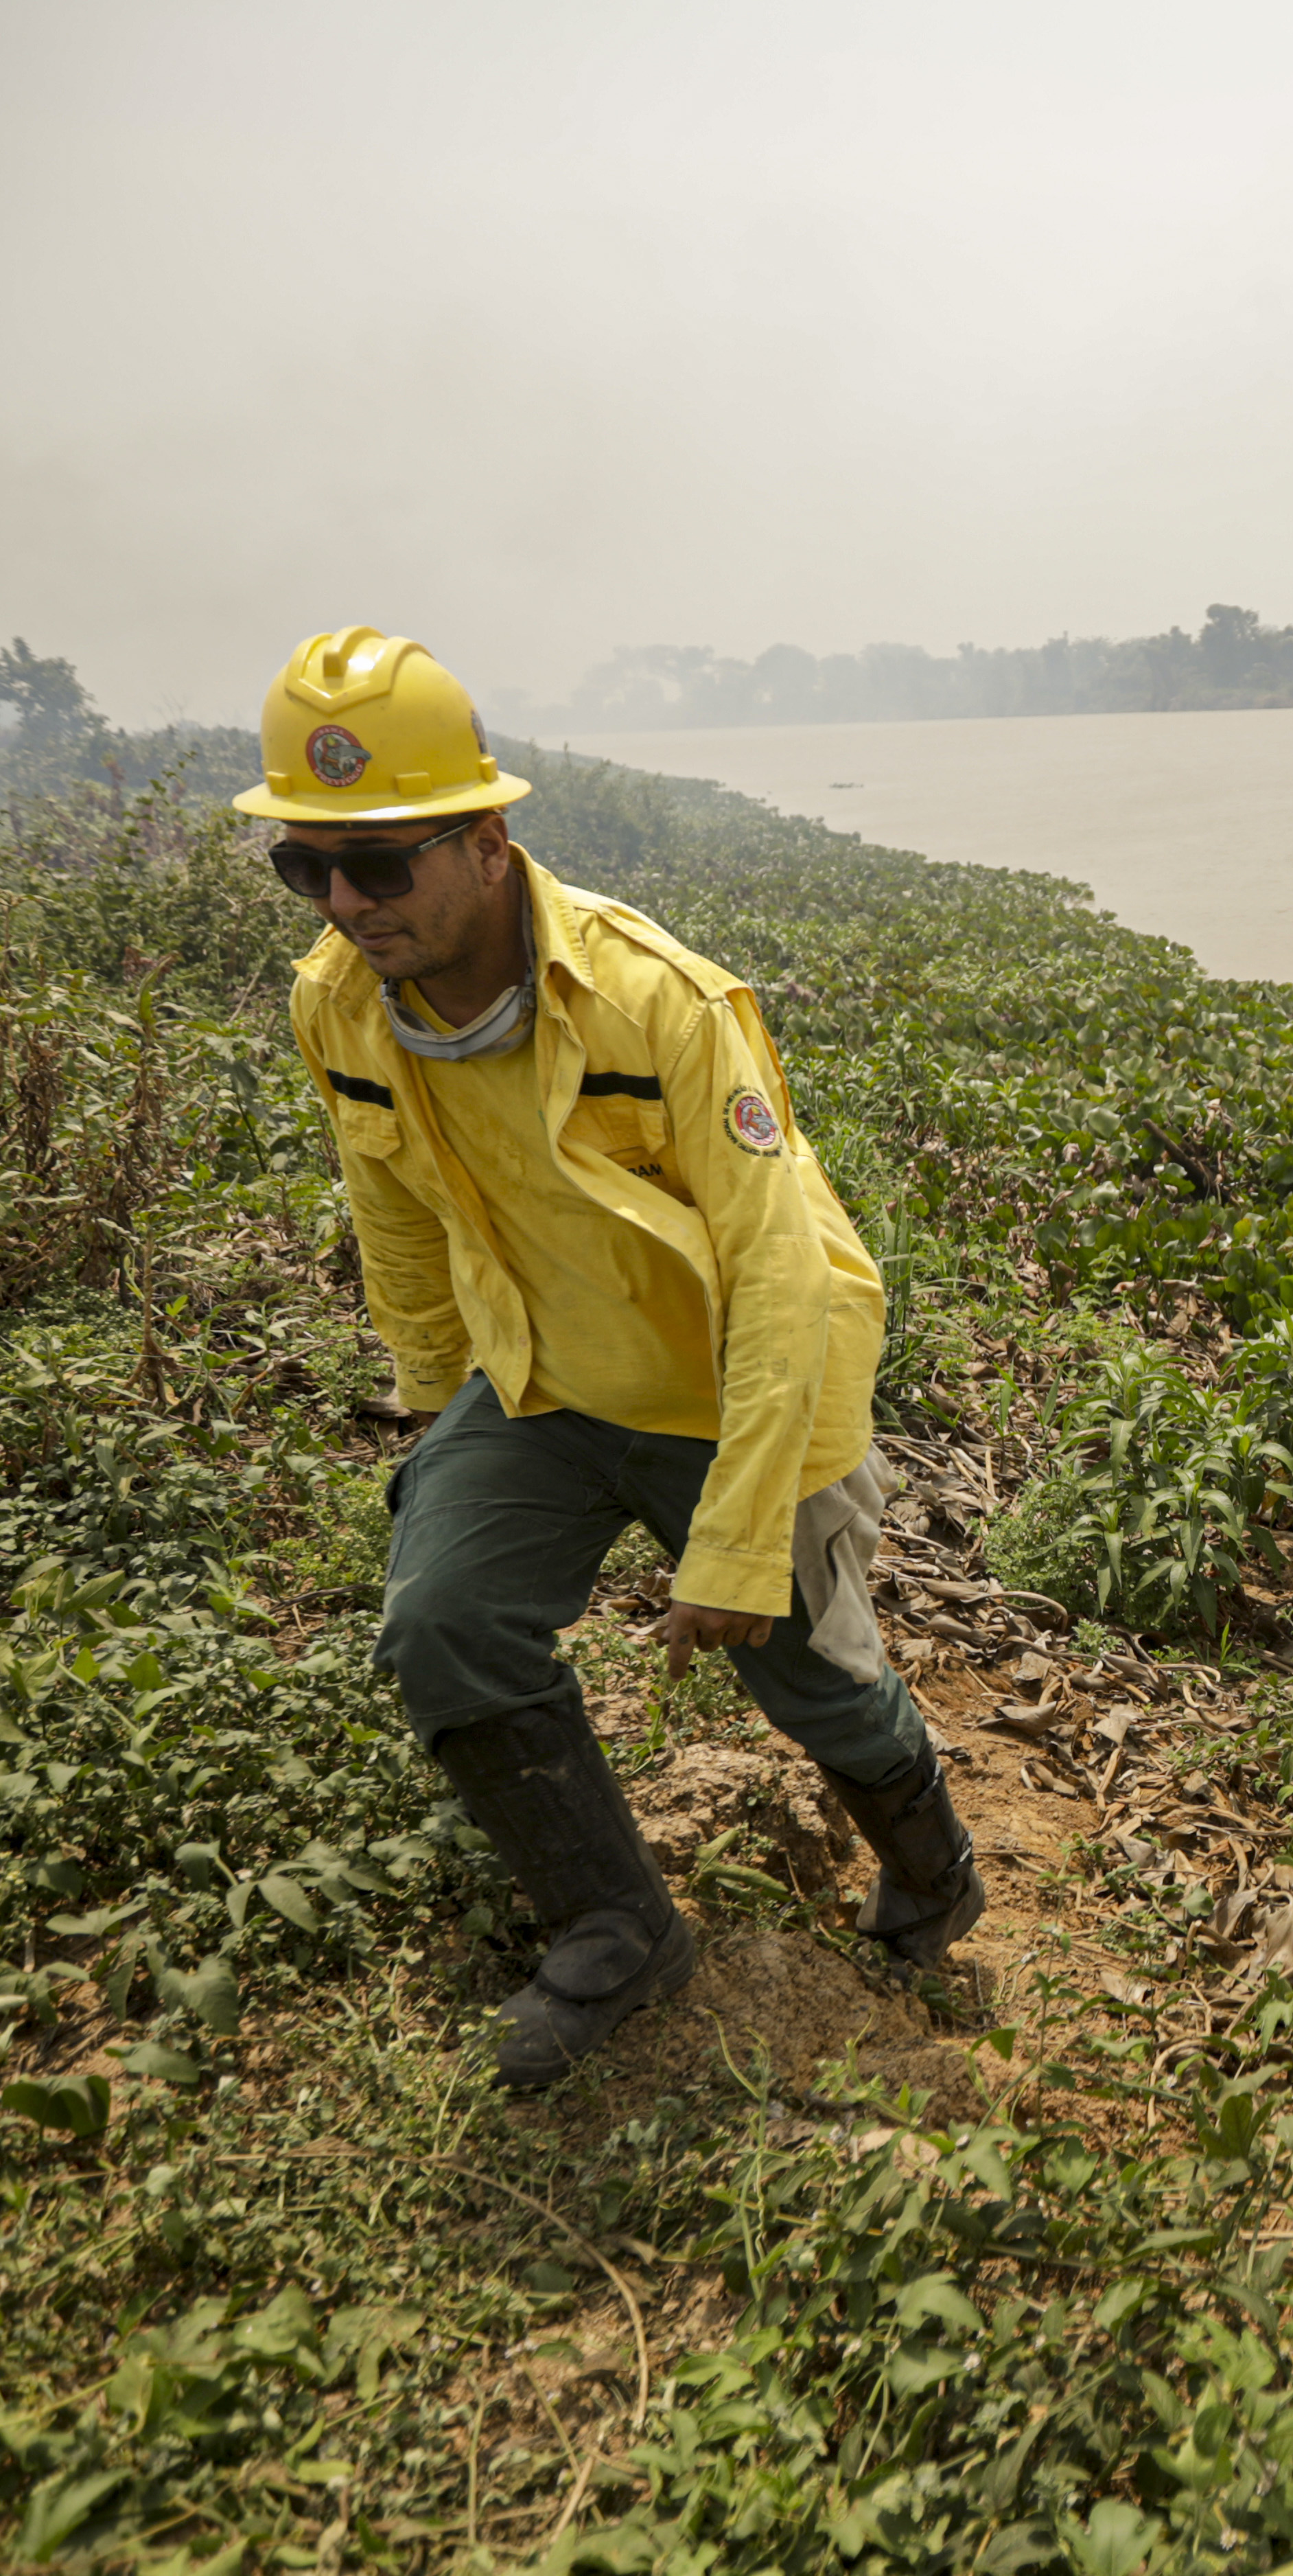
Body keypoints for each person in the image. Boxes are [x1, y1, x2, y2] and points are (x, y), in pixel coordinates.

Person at [241, 628, 980, 2089]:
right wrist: (435, 1401)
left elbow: (777, 1270)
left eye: (379, 866)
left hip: (741, 1386)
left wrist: (738, 1532)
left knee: (814, 1685)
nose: (342, 903)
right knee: (443, 1619)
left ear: (487, 841)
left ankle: (933, 1860)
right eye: (305, 865)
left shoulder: (662, 1005)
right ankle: (613, 1926)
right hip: (543, 1383)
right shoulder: (335, 1000)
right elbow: (387, 1205)